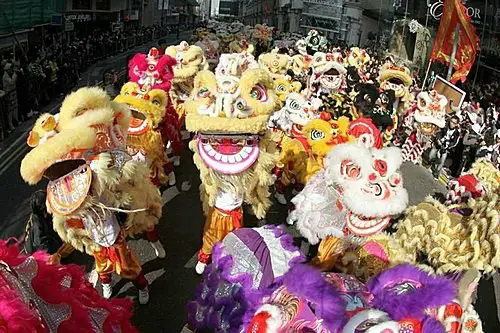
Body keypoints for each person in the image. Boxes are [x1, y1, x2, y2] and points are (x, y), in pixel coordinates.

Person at [23, 190, 75, 263]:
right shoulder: (39, 234)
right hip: (39, 257)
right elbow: (45, 254)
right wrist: (59, 254)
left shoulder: (38, 214)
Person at [429, 115, 461, 179]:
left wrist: (448, 146)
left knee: (442, 161)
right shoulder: (444, 125)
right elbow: (438, 133)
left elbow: (454, 143)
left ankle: (436, 173)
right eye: (451, 121)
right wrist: (438, 140)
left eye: (454, 123)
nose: (452, 124)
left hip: (445, 147)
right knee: (431, 156)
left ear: (456, 124)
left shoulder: (457, 133)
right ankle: (434, 162)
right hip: (438, 143)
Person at [2, 63, 17, 130]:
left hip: (13, 92)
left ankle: (15, 121)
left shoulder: (10, 75)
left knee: (14, 107)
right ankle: (10, 124)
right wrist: (14, 75)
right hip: (9, 94)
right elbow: (11, 82)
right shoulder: (5, 76)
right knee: (10, 110)